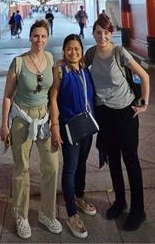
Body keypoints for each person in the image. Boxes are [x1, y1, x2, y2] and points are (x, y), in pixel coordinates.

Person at [84, 15, 150, 231]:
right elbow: (78, 69)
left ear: (111, 33)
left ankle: (138, 210)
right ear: (92, 33)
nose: (102, 36)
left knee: (130, 161)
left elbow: (144, 75)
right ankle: (120, 201)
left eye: (106, 32)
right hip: (104, 114)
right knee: (112, 159)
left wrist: (144, 104)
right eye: (98, 32)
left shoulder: (119, 52)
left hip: (125, 113)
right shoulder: (91, 53)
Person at [0, 19, 62, 239]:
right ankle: (21, 216)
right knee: (21, 169)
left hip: (44, 118)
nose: (39, 40)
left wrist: (55, 124)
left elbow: (53, 91)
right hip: (22, 119)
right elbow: (7, 95)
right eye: (36, 36)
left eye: (43, 36)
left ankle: (47, 213)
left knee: (52, 167)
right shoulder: (18, 62)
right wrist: (4, 123)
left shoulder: (51, 58)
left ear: (47, 38)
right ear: (30, 37)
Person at [52, 34, 97, 239]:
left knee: (82, 163)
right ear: (63, 51)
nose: (73, 52)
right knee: (70, 168)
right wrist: (54, 126)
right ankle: (71, 214)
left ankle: (79, 196)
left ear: (81, 50)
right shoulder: (60, 71)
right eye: (69, 49)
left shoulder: (86, 69)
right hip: (70, 127)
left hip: (88, 126)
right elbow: (53, 98)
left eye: (77, 48)